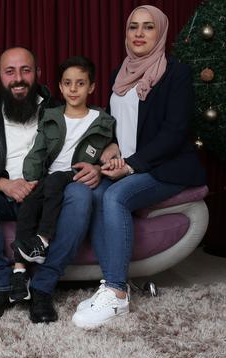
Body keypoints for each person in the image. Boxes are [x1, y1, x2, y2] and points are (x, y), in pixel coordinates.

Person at [71, 5, 206, 329]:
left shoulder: (176, 73)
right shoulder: (122, 71)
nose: (139, 34)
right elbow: (116, 124)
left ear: (160, 33)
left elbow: (174, 133)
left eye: (148, 27)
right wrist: (110, 147)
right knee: (92, 191)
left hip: (165, 167)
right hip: (126, 163)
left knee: (115, 197)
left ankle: (117, 294)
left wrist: (130, 166)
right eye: (133, 27)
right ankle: (112, 283)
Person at [0, 46, 100, 324]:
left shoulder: (59, 110)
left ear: (38, 73)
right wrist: (3, 183)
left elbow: (94, 125)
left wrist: (103, 158)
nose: (18, 78)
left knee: (81, 196)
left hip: (47, 197)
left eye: (25, 70)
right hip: (4, 195)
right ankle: (0, 287)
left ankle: (43, 287)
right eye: (10, 71)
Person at [10, 56, 115, 302]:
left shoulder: (103, 121)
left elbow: (110, 146)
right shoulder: (51, 116)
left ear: (91, 87)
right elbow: (38, 150)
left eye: (80, 83)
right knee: (29, 204)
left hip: (75, 173)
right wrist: (31, 178)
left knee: (57, 180)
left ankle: (43, 240)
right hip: (50, 177)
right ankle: (19, 270)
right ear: (60, 86)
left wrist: (111, 151)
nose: (73, 89)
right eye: (68, 83)